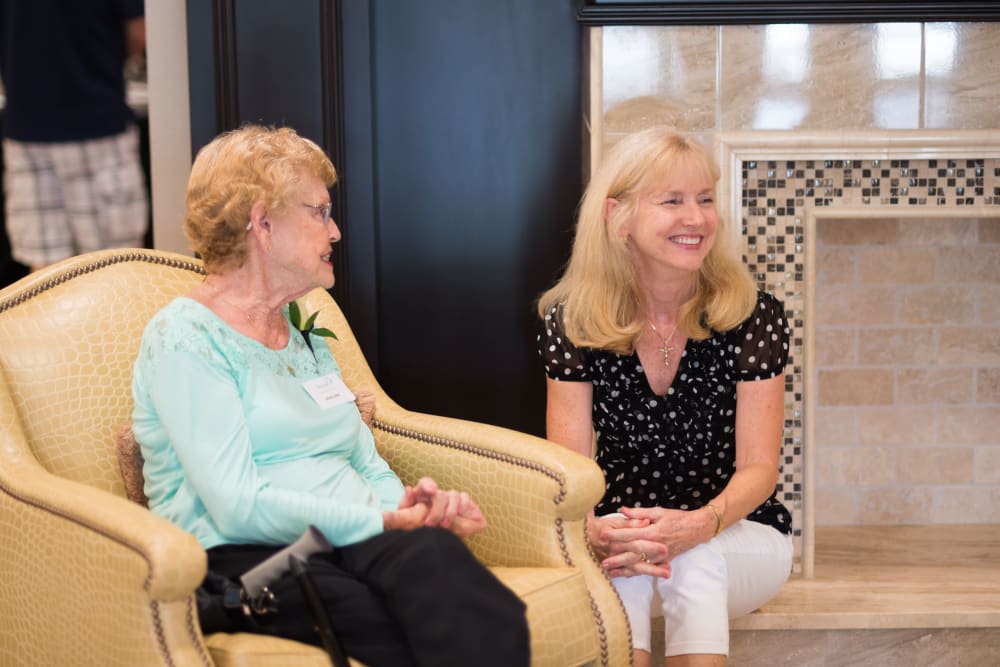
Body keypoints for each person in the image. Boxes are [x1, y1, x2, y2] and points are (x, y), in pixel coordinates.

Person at [131, 124, 529, 667]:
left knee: (459, 583)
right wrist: (380, 521)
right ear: (262, 222)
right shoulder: (185, 337)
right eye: (318, 211)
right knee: (404, 626)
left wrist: (408, 508)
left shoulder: (302, 336)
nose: (336, 230)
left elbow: (363, 461)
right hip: (248, 557)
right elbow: (235, 503)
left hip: (351, 537)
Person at [536, 126, 792, 667]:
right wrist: (595, 532)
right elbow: (571, 471)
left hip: (740, 532)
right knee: (626, 565)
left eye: (704, 200)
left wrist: (697, 525)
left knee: (692, 561)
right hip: (624, 537)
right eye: (672, 201)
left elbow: (761, 468)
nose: (696, 219)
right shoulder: (574, 321)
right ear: (619, 217)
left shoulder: (753, 316)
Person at [0, 0, 148, 272]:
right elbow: (138, 29)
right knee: (115, 266)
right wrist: (103, 64)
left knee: (45, 273)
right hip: (96, 120)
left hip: (26, 125)